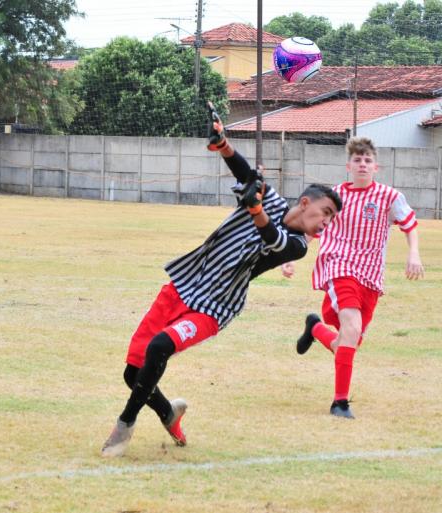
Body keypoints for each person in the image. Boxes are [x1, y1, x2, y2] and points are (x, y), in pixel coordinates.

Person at [101, 103, 342, 457]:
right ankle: (169, 414)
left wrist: (254, 208)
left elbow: (272, 239)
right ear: (305, 203)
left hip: (215, 307)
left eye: (332, 218)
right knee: (132, 373)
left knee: (158, 348)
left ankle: (124, 426)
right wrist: (224, 143)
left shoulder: (298, 246)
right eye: (326, 213)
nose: (327, 223)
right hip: (183, 284)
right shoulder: (271, 200)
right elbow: (246, 174)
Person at [294, 136, 423, 419]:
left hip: (371, 274)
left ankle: (315, 328)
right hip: (340, 265)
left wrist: (414, 253)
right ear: (348, 166)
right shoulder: (336, 196)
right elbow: (314, 226)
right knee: (351, 326)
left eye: (367, 160)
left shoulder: (389, 197)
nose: (362, 164)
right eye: (357, 160)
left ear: (376, 167)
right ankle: (340, 402)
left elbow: (409, 224)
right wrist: (293, 256)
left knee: (348, 341)